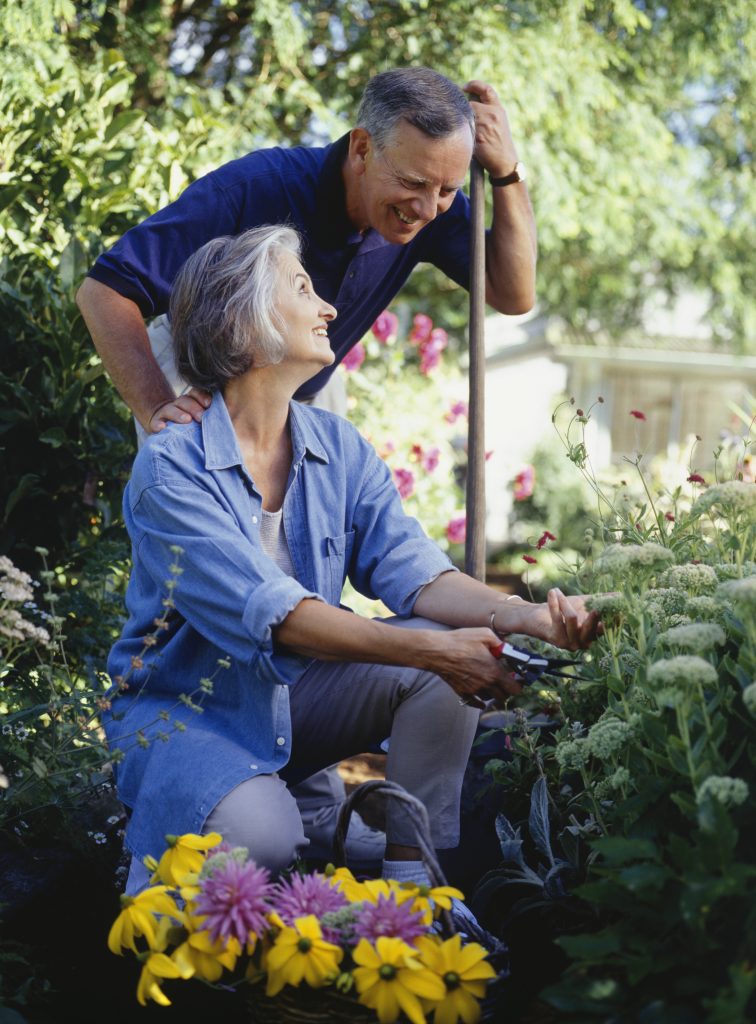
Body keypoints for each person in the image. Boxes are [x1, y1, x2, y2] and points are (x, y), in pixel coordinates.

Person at [78, 66, 538, 862]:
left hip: (294, 401)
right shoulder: (263, 187)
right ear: (362, 148)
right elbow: (106, 291)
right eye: (414, 186)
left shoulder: (422, 199)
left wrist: (505, 175)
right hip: (202, 393)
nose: (430, 210)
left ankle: (390, 865)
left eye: (445, 191)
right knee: (230, 606)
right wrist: (159, 414)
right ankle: (233, 779)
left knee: (326, 582)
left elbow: (512, 291)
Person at [105, 226, 599, 896]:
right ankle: (165, 858)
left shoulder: (336, 445)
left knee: (442, 660)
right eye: (303, 289)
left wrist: (527, 617)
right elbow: (280, 619)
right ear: (242, 324)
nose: (329, 307)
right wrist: (433, 653)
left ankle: (412, 901)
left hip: (294, 698)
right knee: (267, 836)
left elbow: (417, 573)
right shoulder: (171, 470)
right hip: (190, 712)